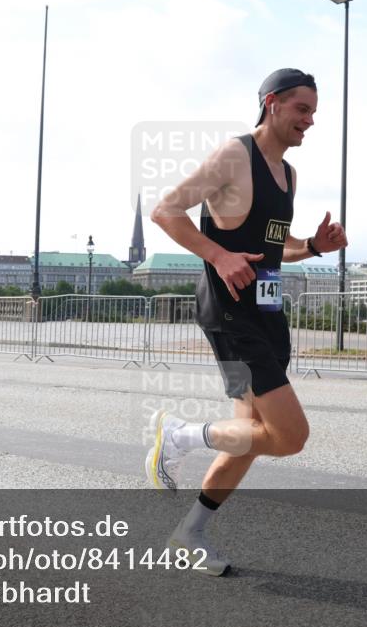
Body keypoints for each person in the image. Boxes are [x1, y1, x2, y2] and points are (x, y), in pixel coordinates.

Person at [146, 68, 347, 576]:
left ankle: (188, 532)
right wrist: (217, 255)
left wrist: (313, 247)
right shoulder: (235, 156)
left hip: (268, 313)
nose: (310, 121)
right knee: (289, 436)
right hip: (231, 315)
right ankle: (181, 435)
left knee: (250, 433)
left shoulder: (288, 174)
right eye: (303, 110)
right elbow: (166, 209)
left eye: (314, 113)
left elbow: (275, 248)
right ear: (273, 103)